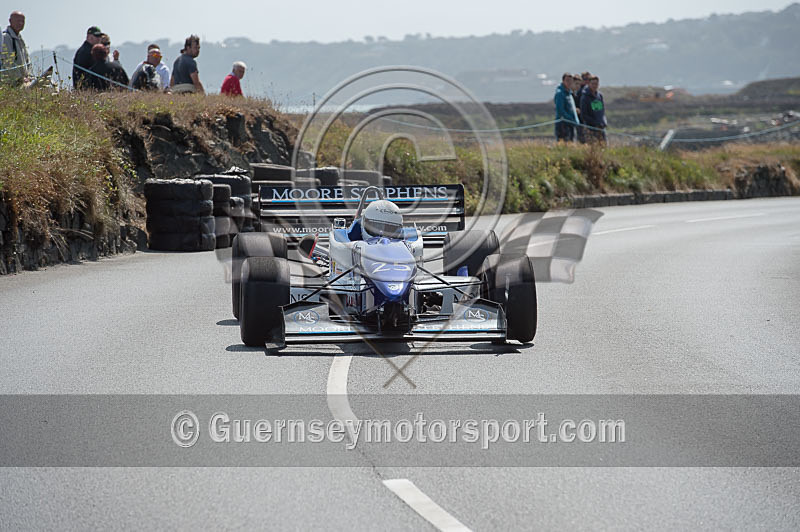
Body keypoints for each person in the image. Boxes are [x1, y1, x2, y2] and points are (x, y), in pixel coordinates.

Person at [1, 11, 30, 87]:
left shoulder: (20, 39)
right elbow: (8, 62)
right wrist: (20, 78)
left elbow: (27, 61)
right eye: (18, 21)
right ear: (10, 21)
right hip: (10, 82)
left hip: (23, 80)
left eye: (22, 21)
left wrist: (28, 76)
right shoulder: (6, 37)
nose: (20, 23)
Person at [580, 76, 607, 144]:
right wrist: (595, 123)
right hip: (591, 128)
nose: (595, 86)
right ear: (589, 84)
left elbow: (602, 111)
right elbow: (584, 115)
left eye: (596, 84)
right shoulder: (585, 97)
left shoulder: (599, 96)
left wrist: (603, 122)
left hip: (601, 127)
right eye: (593, 84)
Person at [554, 72, 579, 142]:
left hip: (571, 124)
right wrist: (570, 119)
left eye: (571, 81)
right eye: (567, 80)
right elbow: (560, 111)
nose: (569, 83)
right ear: (563, 81)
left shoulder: (570, 93)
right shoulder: (560, 93)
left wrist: (575, 121)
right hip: (563, 125)